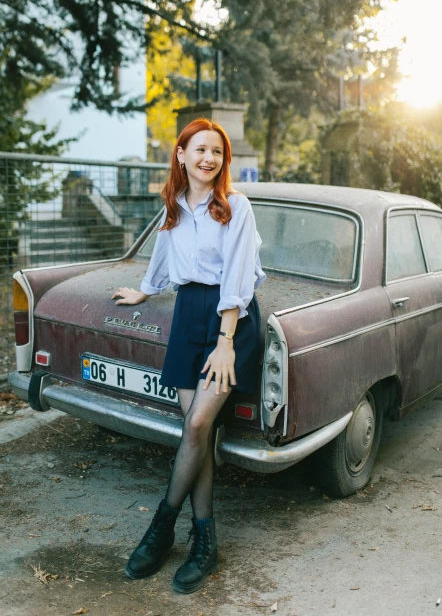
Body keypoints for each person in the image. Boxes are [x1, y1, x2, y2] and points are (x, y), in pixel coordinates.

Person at [111, 117, 265, 594]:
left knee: (197, 425)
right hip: (187, 315)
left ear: (223, 160)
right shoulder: (173, 206)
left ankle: (161, 527)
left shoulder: (235, 207)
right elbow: (162, 253)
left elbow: (239, 276)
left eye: (216, 152)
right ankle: (206, 541)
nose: (208, 158)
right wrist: (145, 290)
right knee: (199, 434)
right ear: (181, 154)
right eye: (199, 149)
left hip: (229, 320)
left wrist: (225, 342)